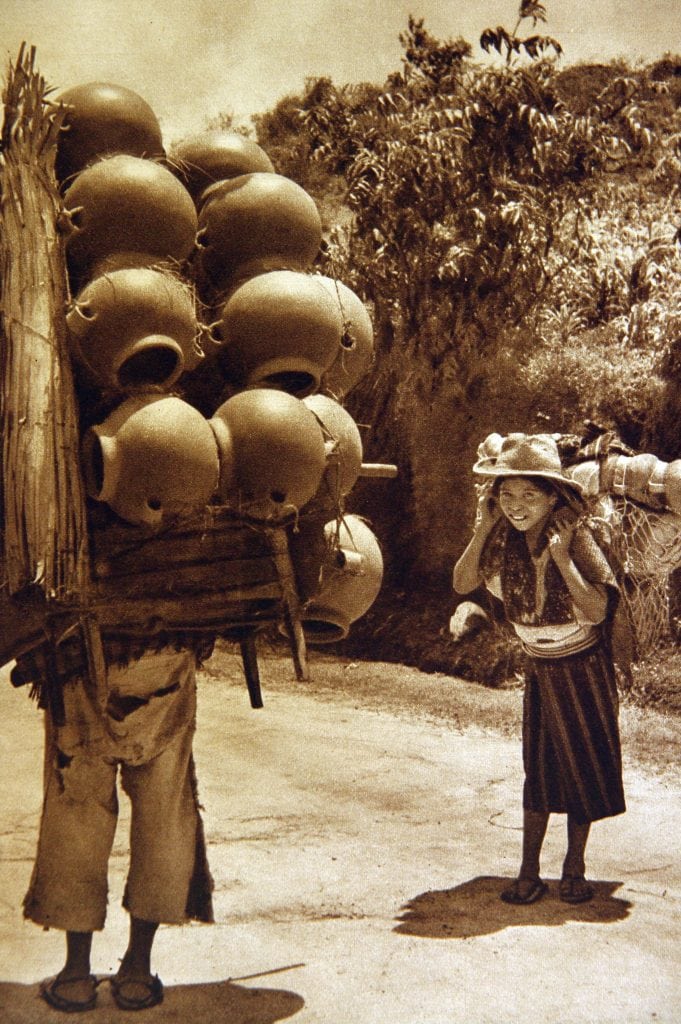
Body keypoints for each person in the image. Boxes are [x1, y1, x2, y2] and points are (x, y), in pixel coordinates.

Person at [453, 432, 626, 906]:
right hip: (541, 669)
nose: (516, 504)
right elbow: (462, 581)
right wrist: (481, 528)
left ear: (553, 495)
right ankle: (528, 871)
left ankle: (574, 867)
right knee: (540, 769)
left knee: (581, 766)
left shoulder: (577, 536)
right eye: (507, 493)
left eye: (530, 493)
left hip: (583, 667)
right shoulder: (500, 538)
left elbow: (595, 610)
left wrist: (564, 558)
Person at [12, 634, 215, 1012]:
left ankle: (75, 976)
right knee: (162, 817)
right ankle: (137, 972)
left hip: (77, 667)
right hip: (166, 664)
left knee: (76, 816)